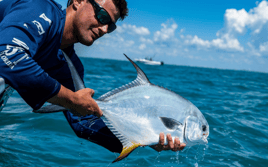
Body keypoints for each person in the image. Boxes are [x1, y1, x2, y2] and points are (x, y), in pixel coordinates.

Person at [0, 0, 185, 156]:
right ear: (78, 1)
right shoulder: (38, 8)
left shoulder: (70, 67)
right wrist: (70, 98)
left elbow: (83, 123)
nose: (104, 29)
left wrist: (146, 138)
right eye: (102, 16)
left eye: (111, 26)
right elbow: (6, 55)